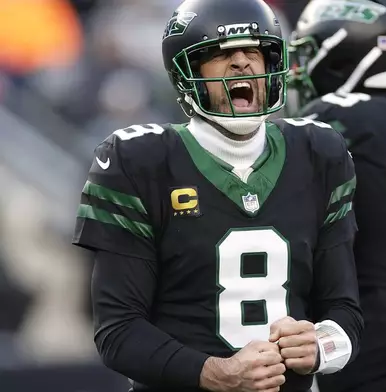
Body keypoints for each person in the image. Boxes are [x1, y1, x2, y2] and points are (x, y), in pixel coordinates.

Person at [71, 0, 363, 391]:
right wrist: (214, 373)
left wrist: (321, 345)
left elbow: (345, 311)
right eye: (221, 53)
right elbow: (117, 332)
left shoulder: (318, 152)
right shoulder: (140, 160)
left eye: (255, 51)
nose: (242, 63)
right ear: (186, 72)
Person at [288, 1, 386, 391]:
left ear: (346, 51)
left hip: (369, 329)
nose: (298, 69)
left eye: (309, 52)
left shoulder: (335, 116)